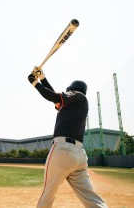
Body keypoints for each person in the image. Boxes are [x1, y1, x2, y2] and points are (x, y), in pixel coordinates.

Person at [28, 67, 107, 208]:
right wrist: (42, 78)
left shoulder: (77, 95)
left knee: (48, 194)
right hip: (79, 156)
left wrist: (34, 83)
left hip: (63, 151)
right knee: (90, 196)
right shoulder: (77, 103)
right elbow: (55, 99)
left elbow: (55, 97)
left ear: (72, 88)